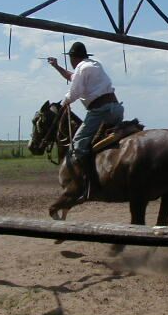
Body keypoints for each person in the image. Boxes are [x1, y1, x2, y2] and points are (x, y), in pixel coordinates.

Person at [48, 42, 124, 200]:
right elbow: (73, 77)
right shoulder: (94, 65)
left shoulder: (81, 69)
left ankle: (84, 183)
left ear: (72, 58)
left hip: (100, 112)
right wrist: (56, 66)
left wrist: (64, 103)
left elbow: (75, 92)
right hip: (116, 109)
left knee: (78, 144)